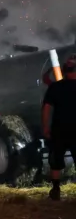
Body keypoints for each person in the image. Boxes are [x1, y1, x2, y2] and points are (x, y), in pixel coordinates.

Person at [42, 54, 76, 201]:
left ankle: (56, 189)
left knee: (56, 161)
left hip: (59, 130)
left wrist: (45, 128)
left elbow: (46, 109)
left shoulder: (56, 87)